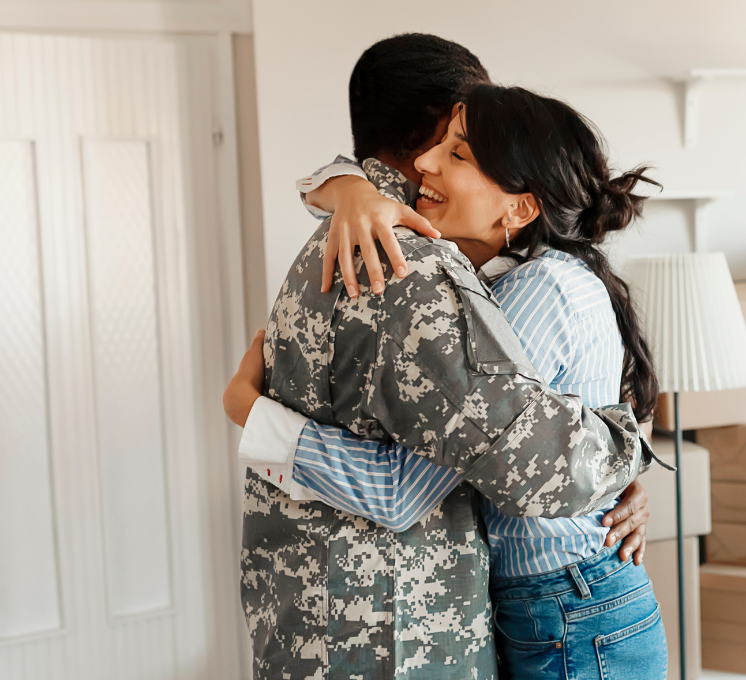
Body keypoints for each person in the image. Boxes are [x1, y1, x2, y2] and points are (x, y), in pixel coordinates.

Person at [229, 34, 657, 680]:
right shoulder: (416, 267)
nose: (434, 160)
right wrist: (625, 444)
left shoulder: (337, 246)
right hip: (398, 627)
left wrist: (252, 413)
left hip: (341, 617)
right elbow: (433, 482)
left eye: (460, 149)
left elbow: (514, 445)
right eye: (450, 138)